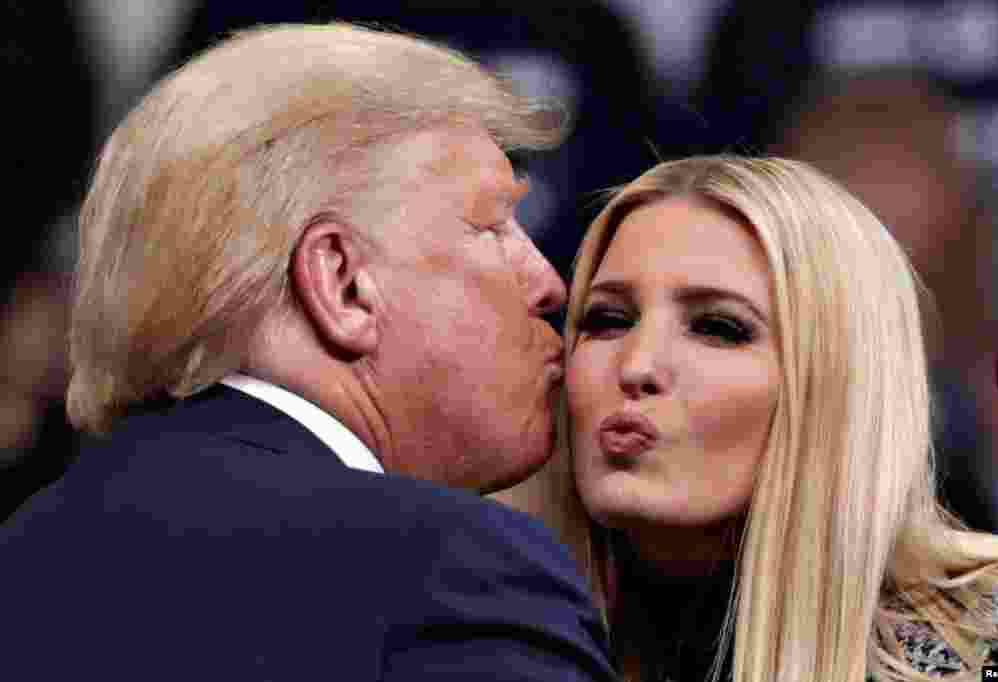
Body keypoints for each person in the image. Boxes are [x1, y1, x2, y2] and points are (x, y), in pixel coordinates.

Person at [0, 23, 616, 682]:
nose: (551, 283)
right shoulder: (450, 572)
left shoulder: (22, 551)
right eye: (493, 227)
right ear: (342, 281)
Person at [496, 156, 998, 682]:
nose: (636, 366)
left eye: (719, 328)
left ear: (837, 379)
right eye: (607, 320)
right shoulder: (491, 641)